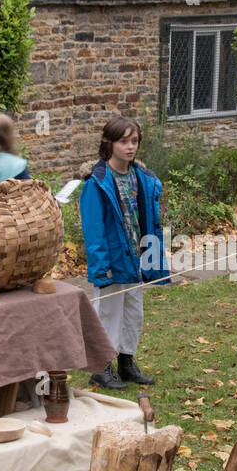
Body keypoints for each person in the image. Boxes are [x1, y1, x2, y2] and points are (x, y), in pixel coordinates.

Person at [79, 116, 168, 390]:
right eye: (123, 141)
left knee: (133, 311)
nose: (130, 147)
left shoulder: (142, 178)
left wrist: (152, 255)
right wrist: (100, 265)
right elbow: (93, 230)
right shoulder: (97, 183)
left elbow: (150, 220)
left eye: (134, 141)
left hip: (136, 256)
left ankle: (126, 362)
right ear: (109, 143)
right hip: (111, 259)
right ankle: (101, 367)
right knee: (108, 312)